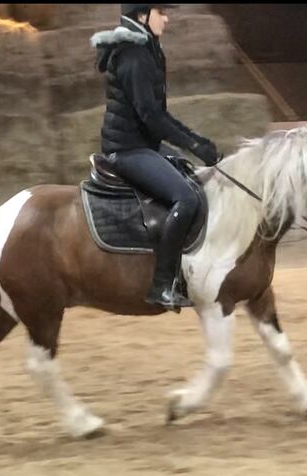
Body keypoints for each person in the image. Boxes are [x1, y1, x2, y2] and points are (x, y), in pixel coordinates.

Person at [91, 4, 220, 311]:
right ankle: (162, 284)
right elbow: (151, 117)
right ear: (141, 16)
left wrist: (196, 143)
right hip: (127, 149)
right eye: (160, 11)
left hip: (141, 143)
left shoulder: (146, 49)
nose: (166, 17)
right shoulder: (135, 57)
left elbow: (158, 115)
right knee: (185, 199)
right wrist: (194, 144)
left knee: (189, 174)